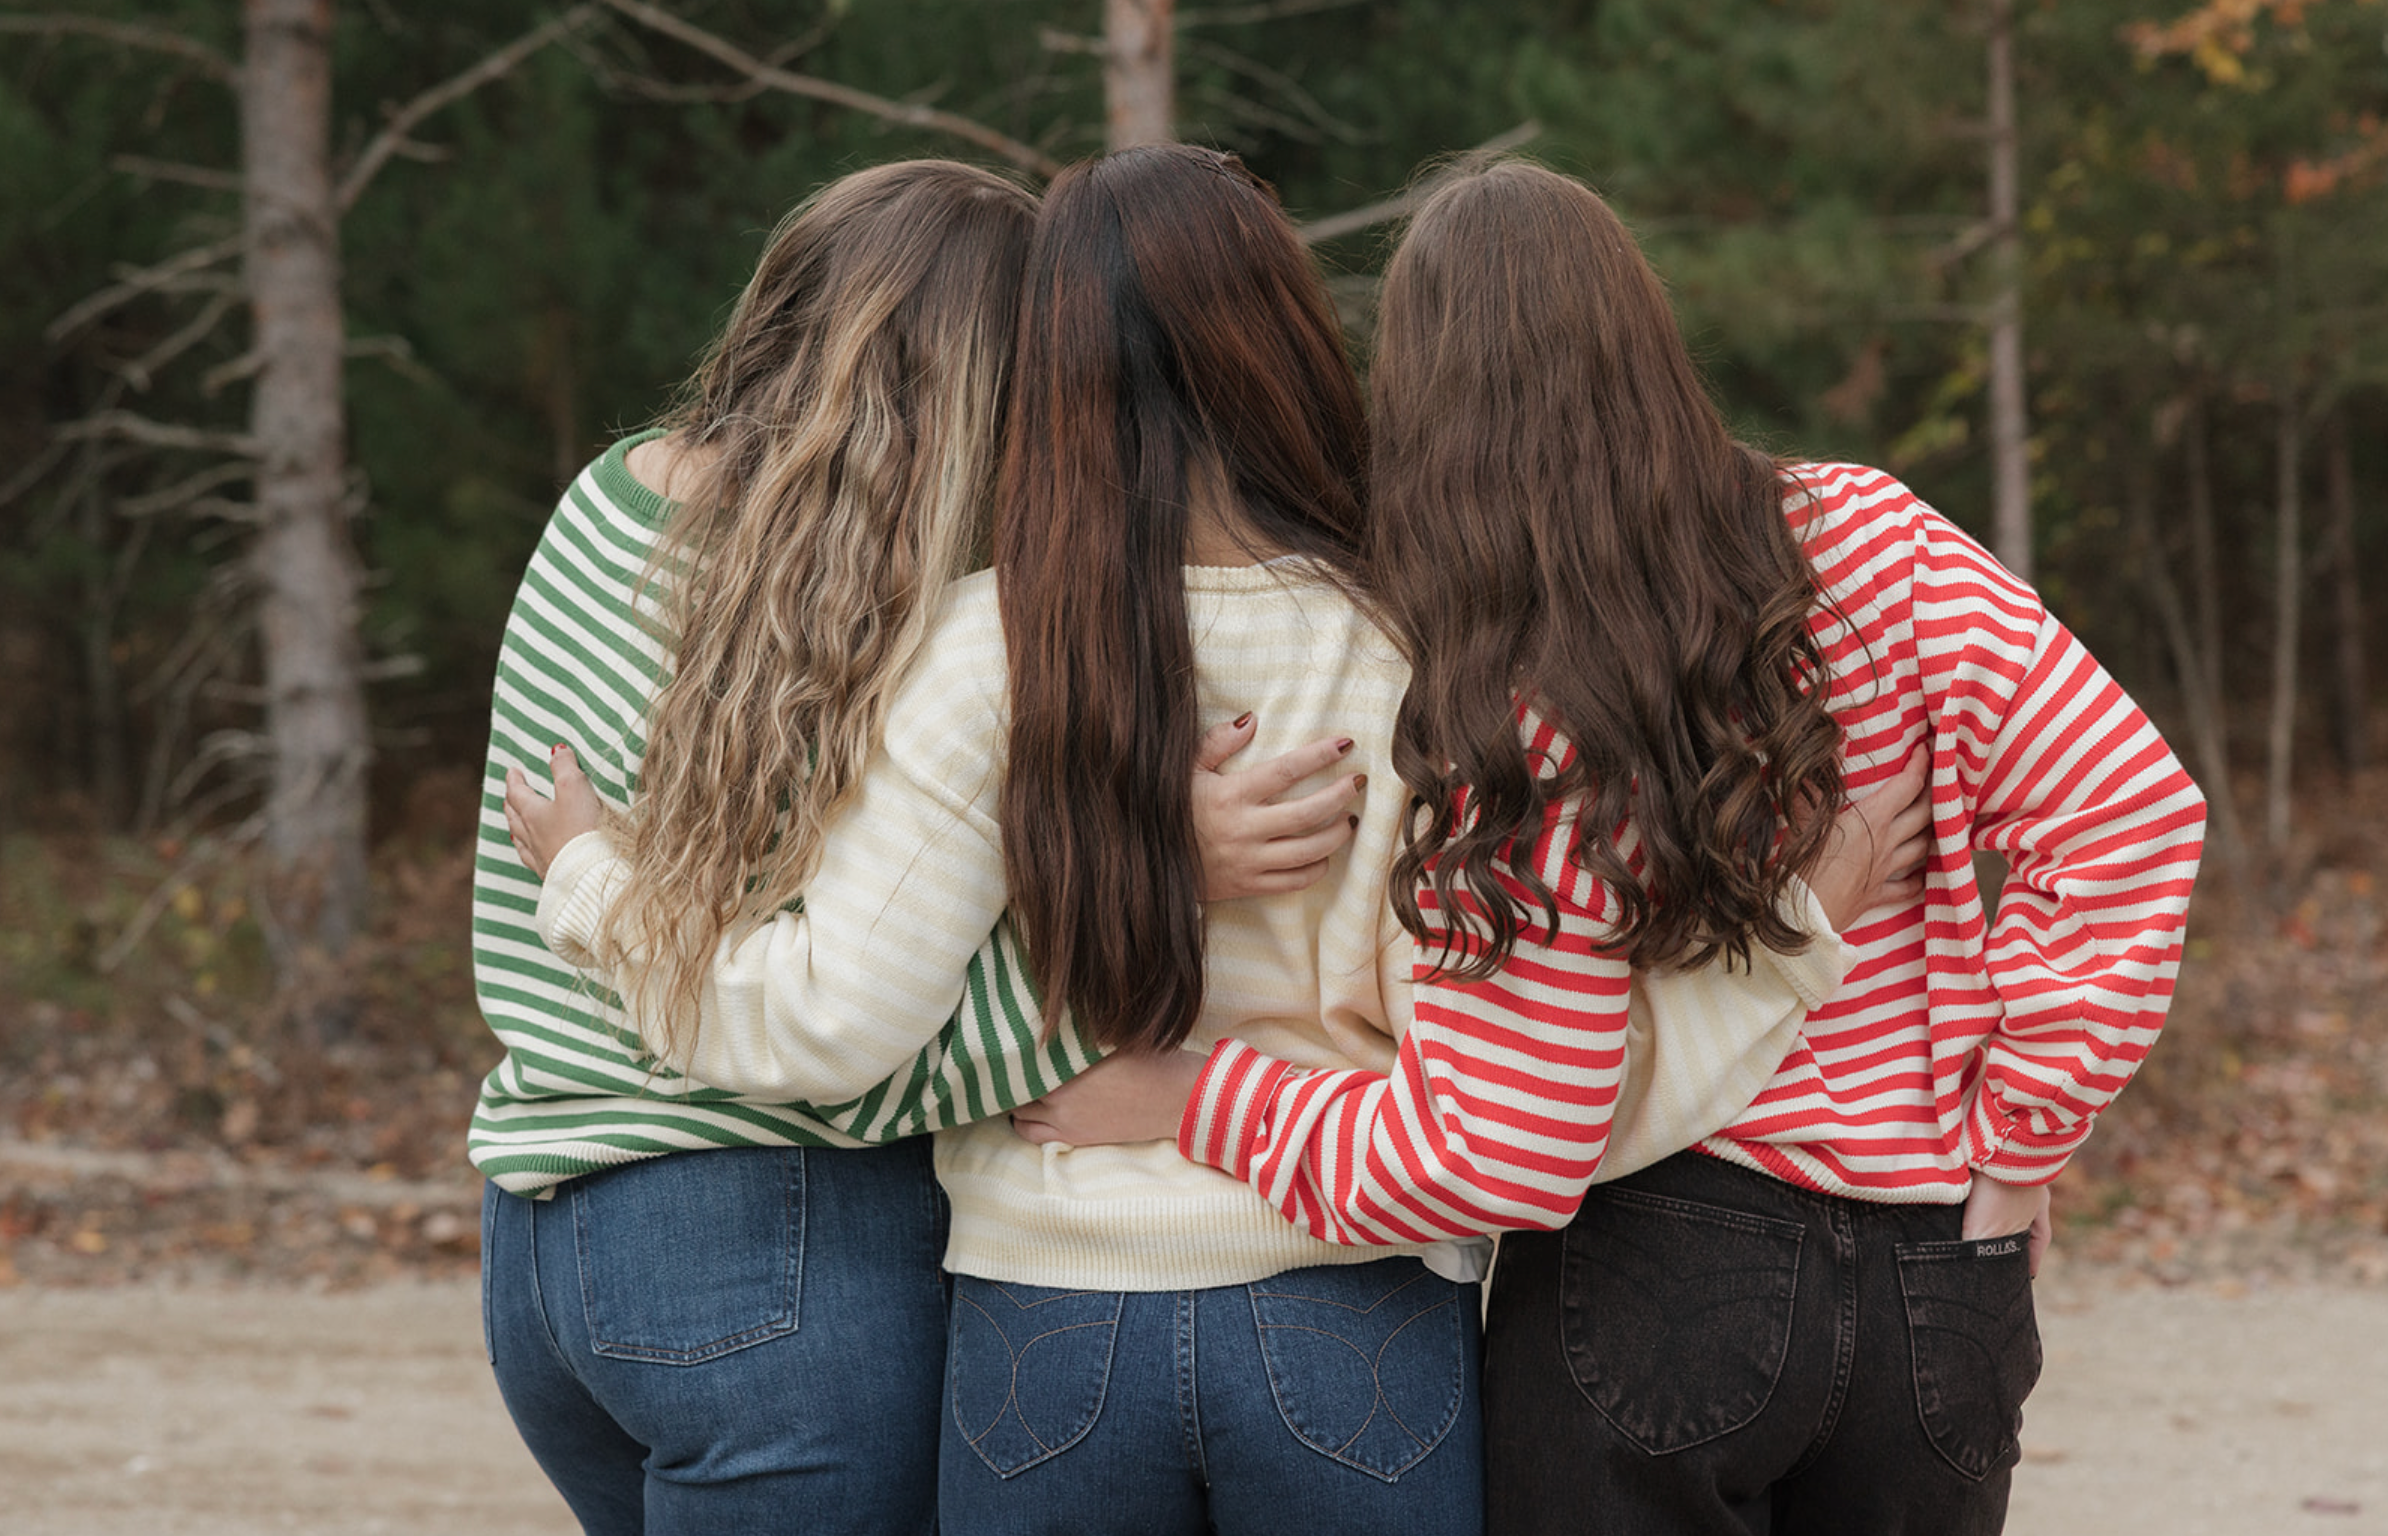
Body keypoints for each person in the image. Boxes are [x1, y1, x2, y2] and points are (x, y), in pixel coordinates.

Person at [512, 145, 1919, 1535]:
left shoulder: (983, 652)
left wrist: (588, 883)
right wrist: (1787, 958)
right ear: (1293, 344)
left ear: (1042, 379)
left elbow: (828, 1017)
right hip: (1355, 1322)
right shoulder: (1432, 657)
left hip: (1049, 1325)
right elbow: (1546, 1116)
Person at [1020, 160, 2207, 1536]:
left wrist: (1198, 1098)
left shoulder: (1508, 686)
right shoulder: (1878, 542)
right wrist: (2017, 1143)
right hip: (1934, 1274)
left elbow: (1496, 1152)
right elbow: (2128, 810)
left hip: (1658, 1280)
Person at [471, 159, 1337, 1536]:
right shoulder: (890, 623)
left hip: (541, 1247)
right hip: (771, 1247)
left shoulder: (605, 503)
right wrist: (1147, 888)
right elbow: (849, 1038)